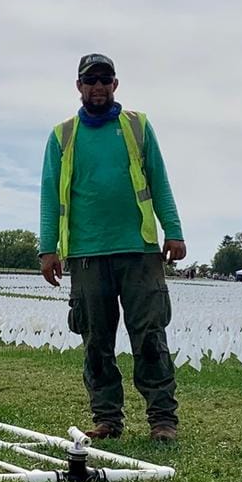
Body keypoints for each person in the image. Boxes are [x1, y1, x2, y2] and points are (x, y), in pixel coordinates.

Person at [38, 53, 186, 443]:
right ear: (79, 87)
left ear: (115, 84)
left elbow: (160, 181)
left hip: (139, 250)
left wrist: (173, 231)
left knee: (150, 335)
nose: (98, 87)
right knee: (96, 341)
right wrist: (46, 249)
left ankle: (162, 420)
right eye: (91, 81)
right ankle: (107, 419)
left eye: (105, 80)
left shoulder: (138, 127)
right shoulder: (62, 136)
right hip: (87, 255)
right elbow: (50, 197)